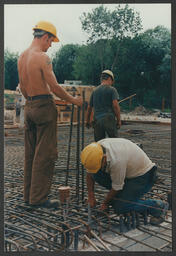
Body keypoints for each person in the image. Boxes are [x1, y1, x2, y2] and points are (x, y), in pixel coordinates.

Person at [17, 21, 83, 208]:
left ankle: (28, 196)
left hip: (29, 106)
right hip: (44, 107)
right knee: (45, 155)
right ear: (45, 37)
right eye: (51, 41)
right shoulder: (42, 57)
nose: (51, 45)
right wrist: (74, 101)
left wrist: (31, 102)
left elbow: (22, 86)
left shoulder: (21, 57)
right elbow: (54, 87)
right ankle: (38, 199)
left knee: (30, 154)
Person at [81, 138, 169, 225]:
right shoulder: (96, 150)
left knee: (121, 207)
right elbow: (90, 173)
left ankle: (158, 206)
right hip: (127, 172)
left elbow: (117, 187)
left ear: (104, 158)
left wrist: (105, 203)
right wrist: (91, 196)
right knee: (96, 173)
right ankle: (125, 197)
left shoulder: (117, 161)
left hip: (143, 176)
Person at [86, 70, 121, 141]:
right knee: (115, 142)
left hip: (97, 121)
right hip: (109, 119)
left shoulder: (94, 91)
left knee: (99, 145)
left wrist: (87, 121)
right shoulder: (112, 90)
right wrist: (119, 120)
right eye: (112, 81)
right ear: (110, 79)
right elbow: (115, 106)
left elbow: (89, 108)